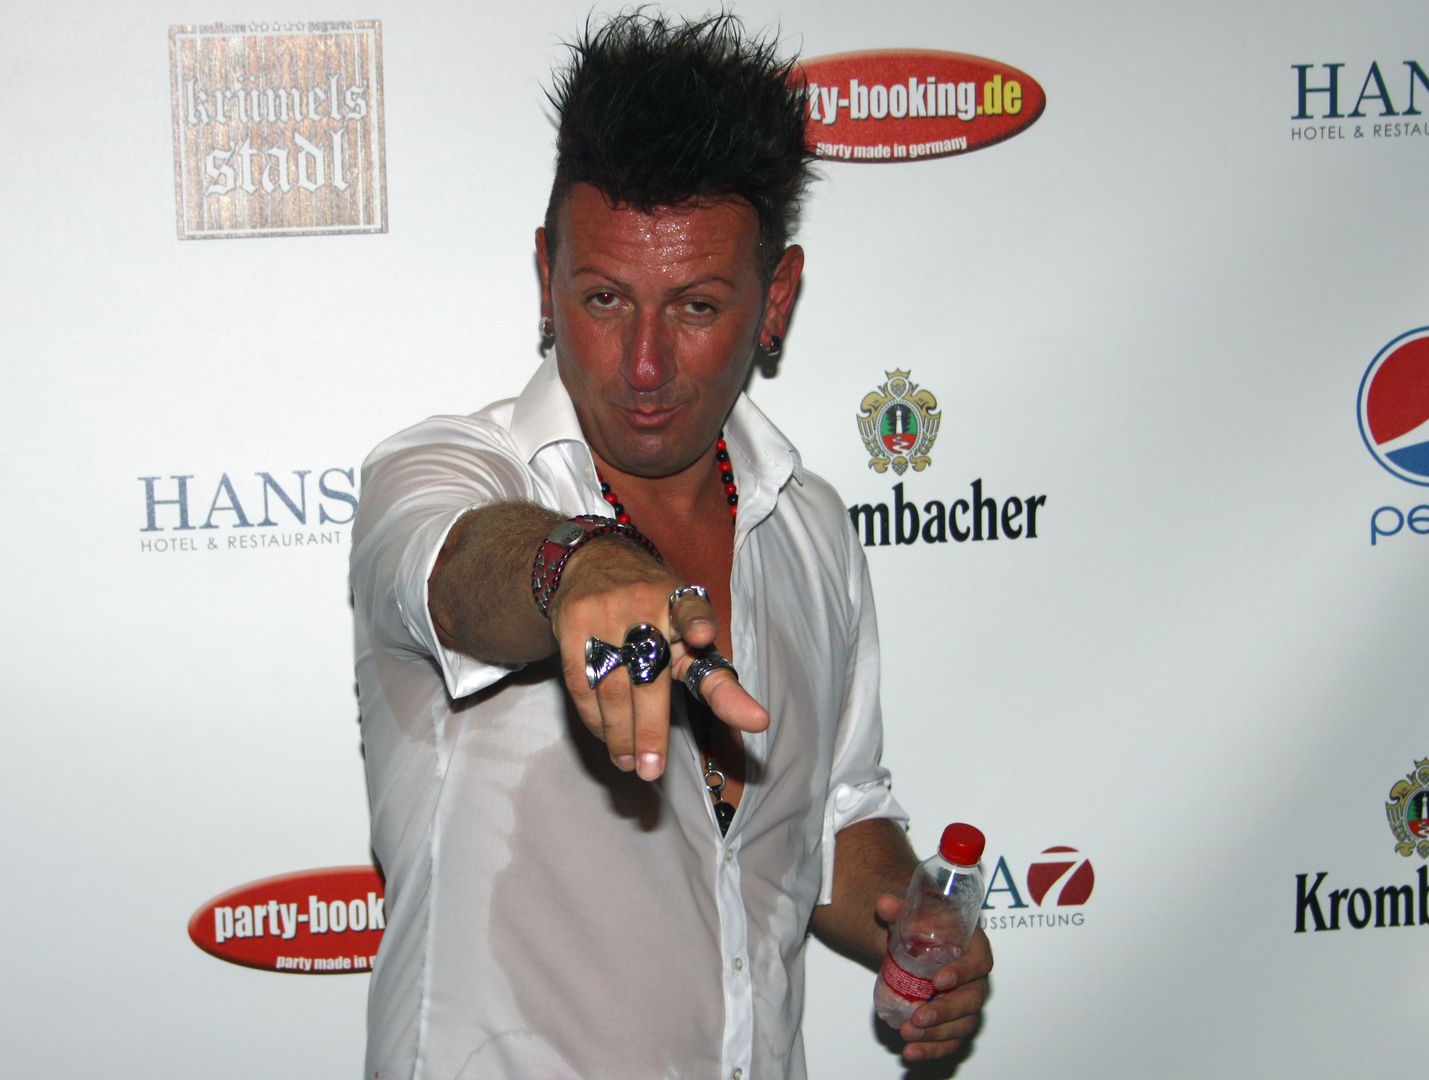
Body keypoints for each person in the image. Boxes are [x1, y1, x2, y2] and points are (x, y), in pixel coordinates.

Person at [349, 12, 991, 1078]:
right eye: (604, 298)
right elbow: (456, 575)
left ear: (775, 299)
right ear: (546, 275)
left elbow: (833, 816)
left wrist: (914, 929)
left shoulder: (811, 525)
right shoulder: (447, 474)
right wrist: (576, 569)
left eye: (695, 306)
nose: (644, 364)